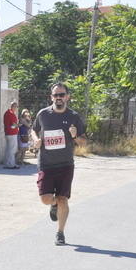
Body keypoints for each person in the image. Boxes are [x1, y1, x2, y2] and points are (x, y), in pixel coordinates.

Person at [32, 83, 86, 246]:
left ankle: (60, 233)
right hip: (46, 164)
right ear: (51, 97)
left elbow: (83, 142)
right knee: (45, 199)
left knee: (63, 199)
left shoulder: (74, 117)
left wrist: (75, 136)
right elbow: (34, 130)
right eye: (55, 95)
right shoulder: (43, 114)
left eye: (61, 95)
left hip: (65, 164)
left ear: (67, 96)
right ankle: (53, 204)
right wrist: (36, 140)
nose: (58, 98)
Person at [3, 101, 19, 169]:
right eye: (16, 107)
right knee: (11, 149)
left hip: (10, 133)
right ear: (13, 106)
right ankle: (11, 164)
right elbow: (13, 124)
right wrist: (18, 125)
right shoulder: (10, 113)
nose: (16, 108)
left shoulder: (9, 113)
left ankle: (8, 163)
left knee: (9, 149)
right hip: (11, 133)